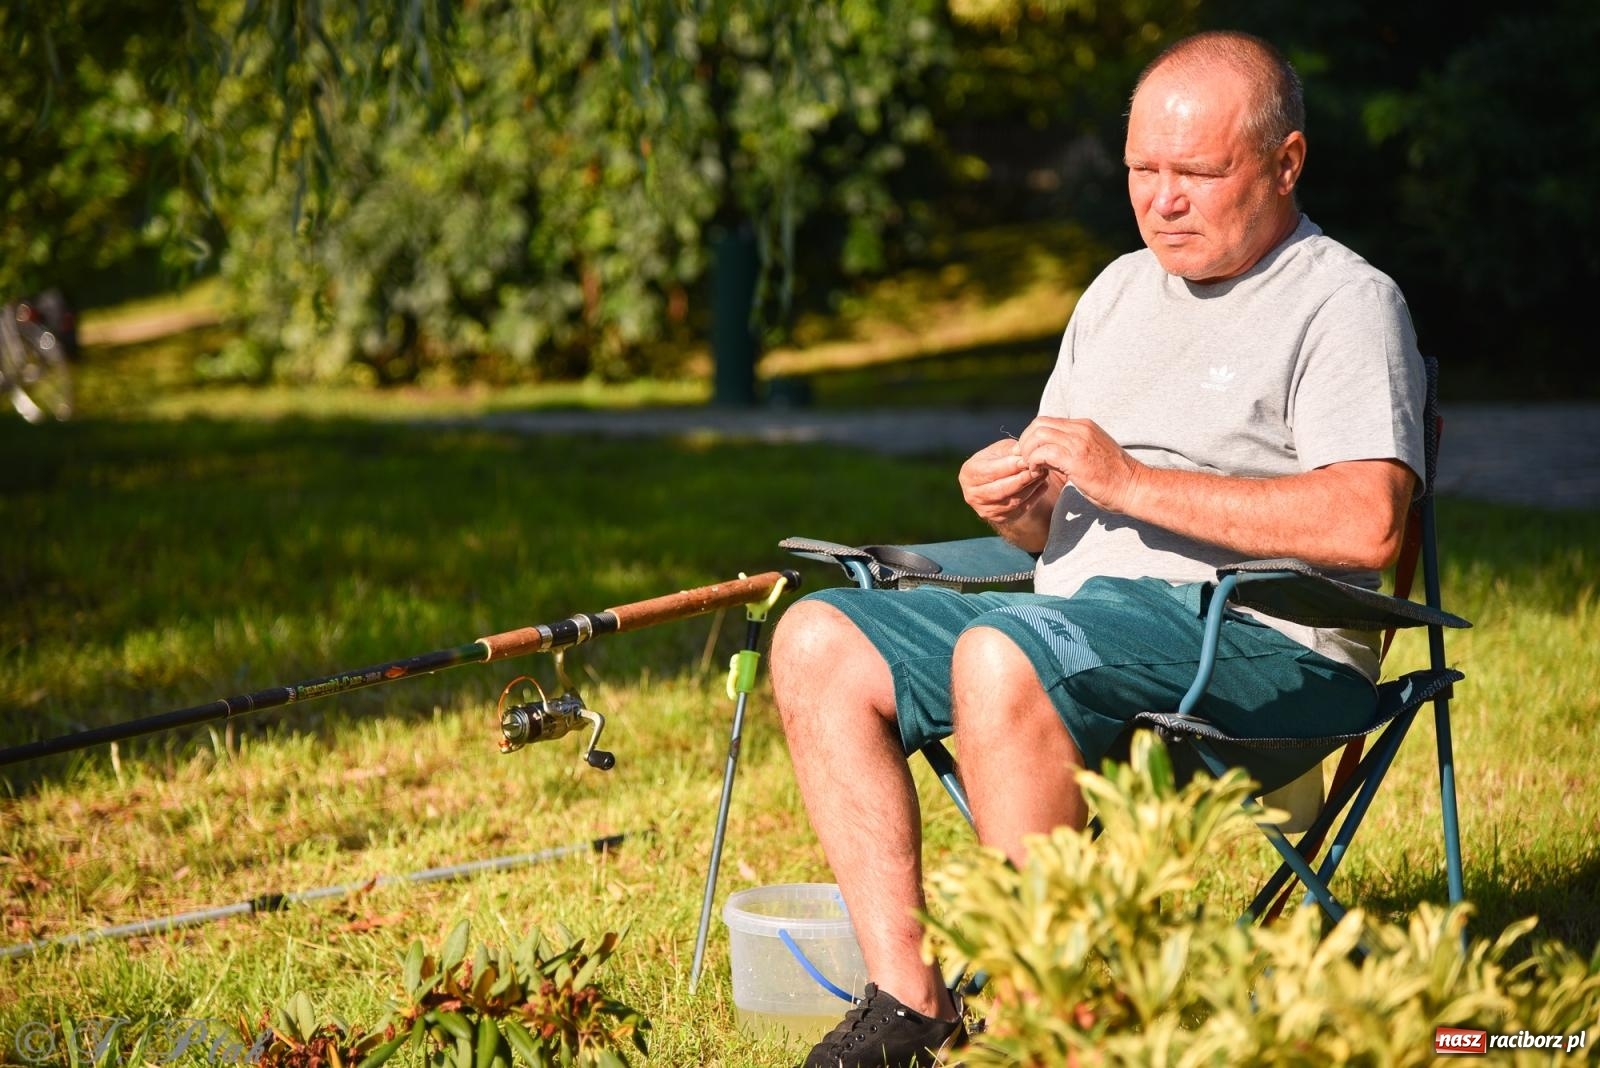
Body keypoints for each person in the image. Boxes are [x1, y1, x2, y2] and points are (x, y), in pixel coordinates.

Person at [769, 29, 1425, 1068]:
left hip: (1260, 646)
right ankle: (910, 1000)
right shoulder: (1116, 292)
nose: (1162, 201)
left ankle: (1047, 1026)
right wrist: (1017, 507)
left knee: (1006, 653)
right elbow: (1063, 526)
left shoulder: (1344, 303)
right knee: (815, 640)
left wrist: (1128, 482)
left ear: (1286, 162)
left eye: (1196, 173)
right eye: (1141, 170)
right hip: (1075, 620)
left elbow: (1368, 524)